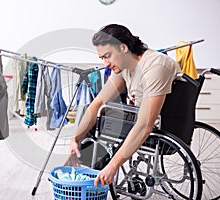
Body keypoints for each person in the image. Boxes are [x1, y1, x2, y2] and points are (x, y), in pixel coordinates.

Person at [65, 24, 181, 187]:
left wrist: (113, 165)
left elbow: (144, 125)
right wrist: (75, 139)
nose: (106, 63)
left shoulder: (155, 67)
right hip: (142, 117)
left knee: (105, 122)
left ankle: (98, 170)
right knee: (91, 110)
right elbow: (97, 103)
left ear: (123, 48)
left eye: (108, 56)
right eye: (102, 58)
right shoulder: (123, 67)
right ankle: (88, 167)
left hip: (159, 126)